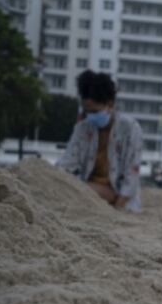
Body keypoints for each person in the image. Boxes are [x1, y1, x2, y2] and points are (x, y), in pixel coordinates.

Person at [57, 70, 142, 212]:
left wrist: (118, 208)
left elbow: (132, 173)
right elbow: (68, 162)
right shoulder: (82, 128)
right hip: (87, 189)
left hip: (115, 193)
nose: (90, 115)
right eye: (87, 111)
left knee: (84, 188)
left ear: (110, 104)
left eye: (95, 111)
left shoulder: (130, 128)